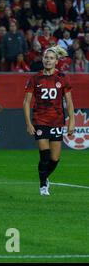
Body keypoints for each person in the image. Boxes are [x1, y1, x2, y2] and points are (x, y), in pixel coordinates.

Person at [23, 45, 75, 196]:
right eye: (46, 58)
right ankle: (43, 184)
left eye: (51, 58)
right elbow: (26, 102)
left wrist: (72, 121)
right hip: (40, 120)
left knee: (54, 159)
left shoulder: (62, 78)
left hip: (57, 121)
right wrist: (28, 123)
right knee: (44, 156)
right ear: (43, 59)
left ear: (56, 61)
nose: (48, 60)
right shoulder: (35, 78)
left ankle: (45, 177)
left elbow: (69, 102)